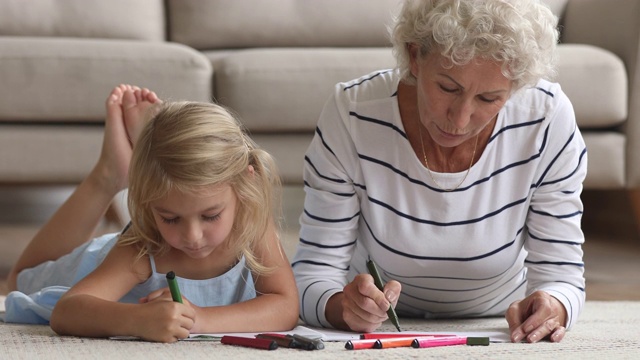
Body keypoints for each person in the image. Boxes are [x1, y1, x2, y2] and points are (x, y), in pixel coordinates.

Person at [292, 0, 586, 344]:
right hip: (377, 318)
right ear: (414, 57)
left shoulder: (546, 118)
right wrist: (341, 306)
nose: (460, 120)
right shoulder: (352, 114)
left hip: (499, 313)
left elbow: (562, 274)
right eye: (448, 88)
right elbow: (313, 272)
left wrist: (554, 305)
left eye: (489, 98)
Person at [5, 85, 299, 342]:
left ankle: (145, 150)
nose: (192, 237)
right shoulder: (145, 241)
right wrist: (136, 320)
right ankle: (110, 174)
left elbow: (285, 306)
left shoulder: (251, 219)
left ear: (245, 185)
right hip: (95, 264)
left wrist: (199, 318)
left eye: (210, 216)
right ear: (147, 205)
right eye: (170, 218)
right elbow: (66, 310)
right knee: (19, 281)